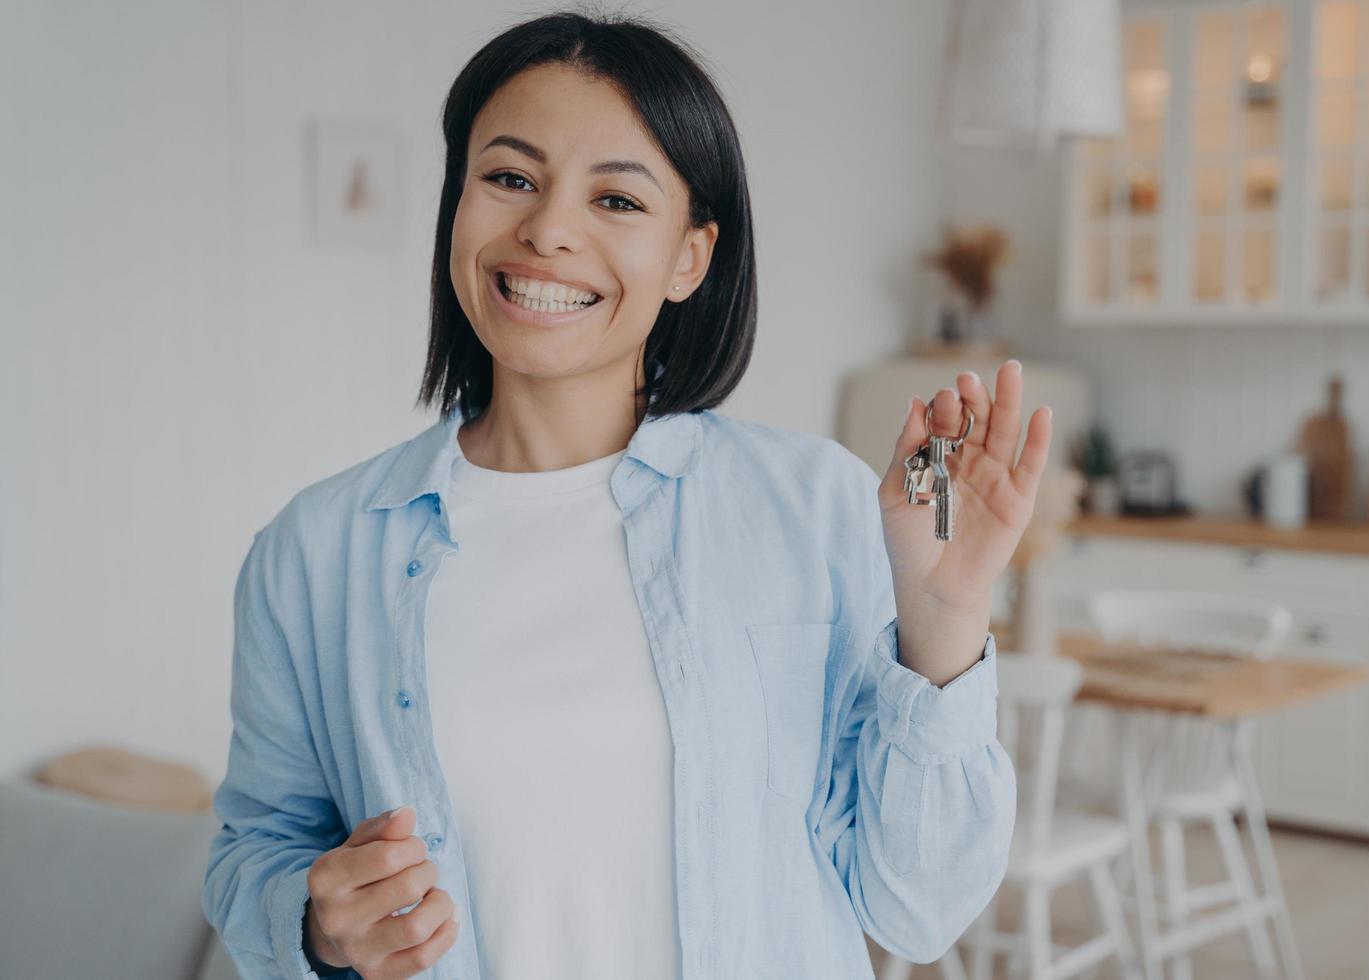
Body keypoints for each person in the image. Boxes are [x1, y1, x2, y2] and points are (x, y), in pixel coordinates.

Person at [202, 8, 1053, 980]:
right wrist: (317, 925)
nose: (549, 230)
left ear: (690, 256)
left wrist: (942, 620)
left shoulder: (817, 505)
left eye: (617, 200)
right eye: (510, 178)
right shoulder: (313, 551)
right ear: (458, 205)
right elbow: (251, 856)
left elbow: (920, 907)